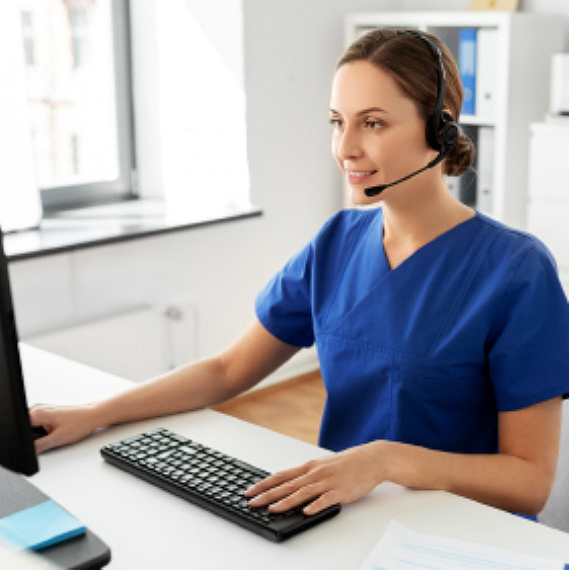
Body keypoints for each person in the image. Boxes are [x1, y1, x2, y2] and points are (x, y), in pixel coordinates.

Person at [30, 28, 569, 519]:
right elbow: (226, 371)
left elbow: (529, 482)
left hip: (463, 533)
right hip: (342, 514)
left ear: (440, 130)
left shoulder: (517, 271)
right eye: (338, 122)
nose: (345, 148)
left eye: (373, 123)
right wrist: (94, 413)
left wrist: (386, 461)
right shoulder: (337, 242)